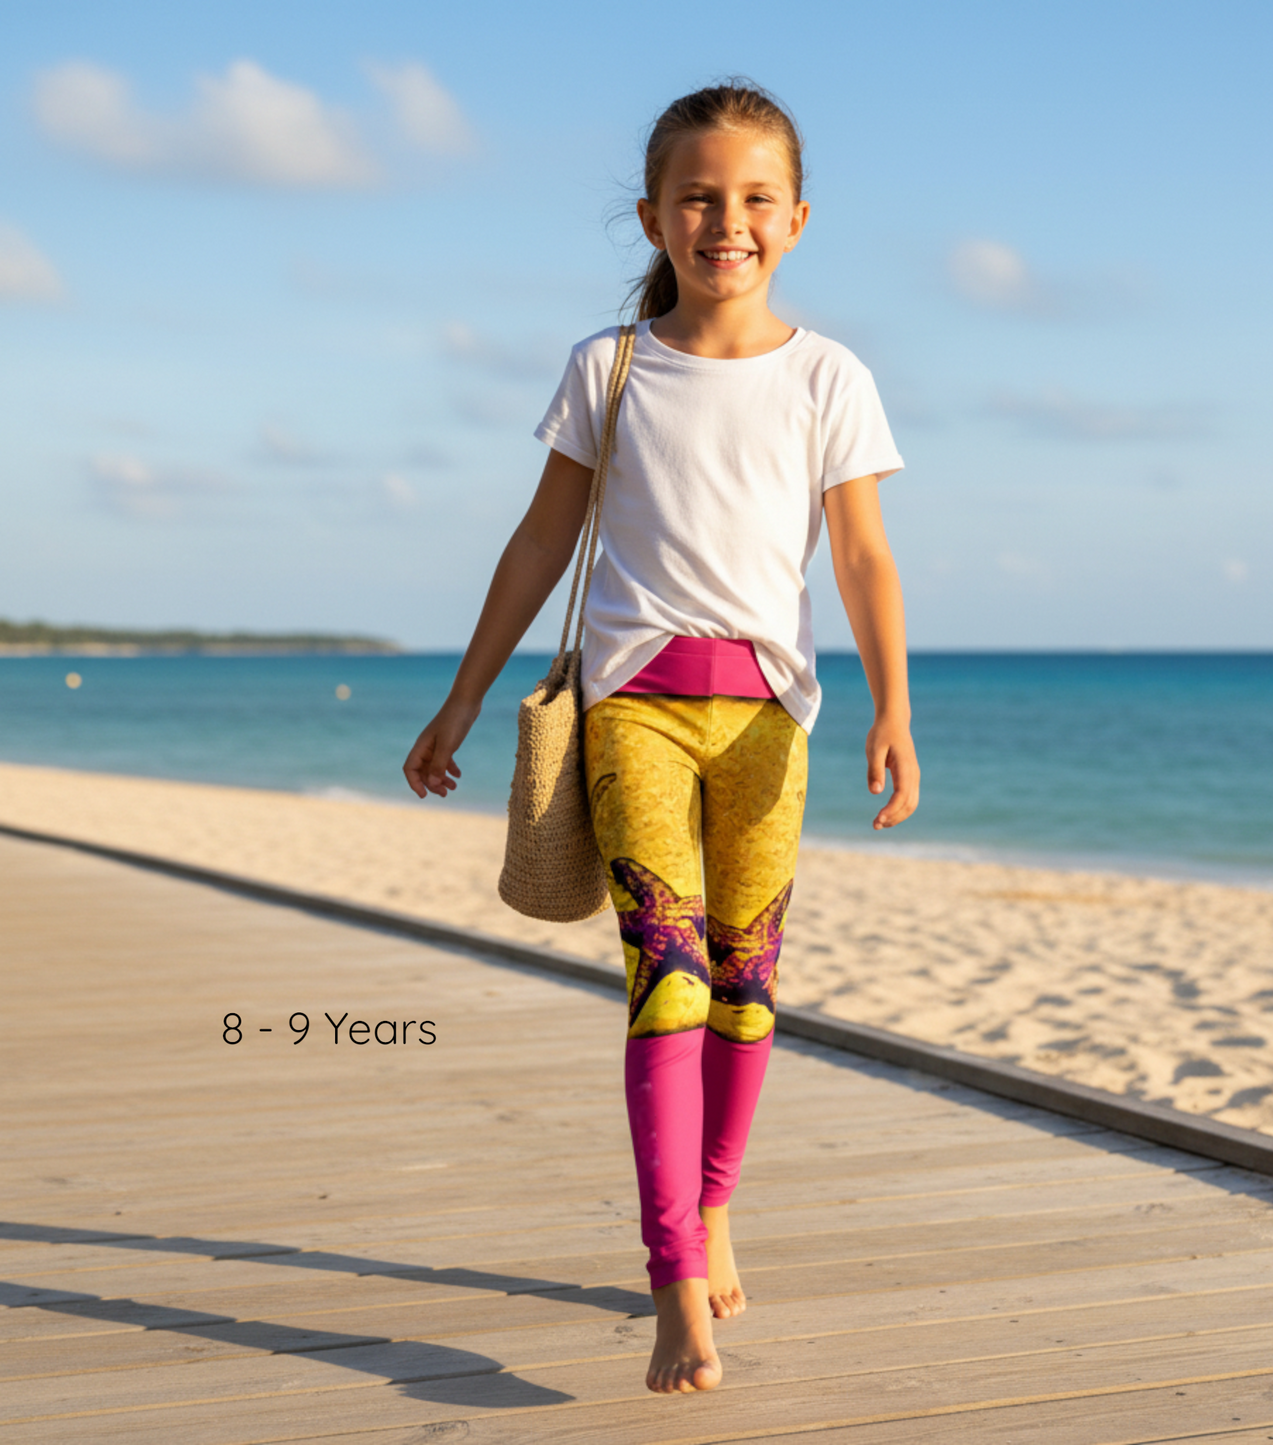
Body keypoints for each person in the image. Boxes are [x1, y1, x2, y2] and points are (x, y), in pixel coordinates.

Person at [403, 80, 920, 1396]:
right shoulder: (610, 366)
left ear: (797, 219)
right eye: (698, 197)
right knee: (669, 983)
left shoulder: (828, 376)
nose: (724, 221)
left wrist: (895, 712)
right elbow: (542, 540)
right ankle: (673, 1279)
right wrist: (465, 694)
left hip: (770, 723)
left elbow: (862, 555)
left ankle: (717, 1200)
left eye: (753, 199)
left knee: (748, 990)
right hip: (635, 708)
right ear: (653, 215)